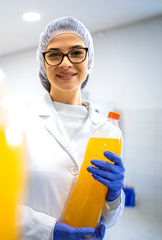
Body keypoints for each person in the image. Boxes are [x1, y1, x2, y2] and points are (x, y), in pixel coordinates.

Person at [20, 16, 125, 240]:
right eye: (55, 54)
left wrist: (114, 196)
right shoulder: (17, 122)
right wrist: (47, 231)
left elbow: (109, 219)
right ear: (43, 63)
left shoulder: (107, 131)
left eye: (76, 52)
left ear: (89, 59)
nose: (66, 63)